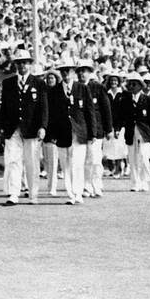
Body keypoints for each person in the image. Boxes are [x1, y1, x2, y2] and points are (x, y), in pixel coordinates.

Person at [0, 49, 47, 205]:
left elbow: (43, 107)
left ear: (30, 64)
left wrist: (43, 126)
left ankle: (33, 193)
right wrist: (3, 127)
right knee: (13, 160)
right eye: (19, 63)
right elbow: (4, 107)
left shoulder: (39, 83)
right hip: (13, 128)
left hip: (32, 128)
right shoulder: (8, 83)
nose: (22, 66)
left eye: (25, 63)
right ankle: (14, 193)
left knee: (31, 162)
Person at [57, 64, 95, 205]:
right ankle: (70, 193)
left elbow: (89, 111)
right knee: (65, 164)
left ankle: (78, 192)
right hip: (62, 133)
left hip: (79, 132)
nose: (66, 74)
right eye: (63, 71)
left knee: (77, 163)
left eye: (68, 71)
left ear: (73, 72)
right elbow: (52, 115)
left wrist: (92, 133)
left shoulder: (82, 88)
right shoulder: (55, 90)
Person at [116, 73, 150, 192]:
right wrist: (117, 128)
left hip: (144, 132)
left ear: (141, 86)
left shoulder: (148, 99)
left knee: (144, 156)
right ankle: (135, 182)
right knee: (132, 157)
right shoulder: (125, 100)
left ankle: (144, 180)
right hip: (131, 131)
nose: (131, 86)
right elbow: (121, 116)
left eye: (134, 84)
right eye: (130, 84)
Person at [80, 60, 113, 196]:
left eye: (85, 70)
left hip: (97, 130)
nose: (82, 73)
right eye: (80, 71)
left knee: (95, 159)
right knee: (84, 159)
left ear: (90, 72)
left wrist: (109, 128)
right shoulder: (76, 87)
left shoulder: (97, 87)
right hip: (82, 130)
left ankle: (97, 185)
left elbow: (106, 109)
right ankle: (86, 186)